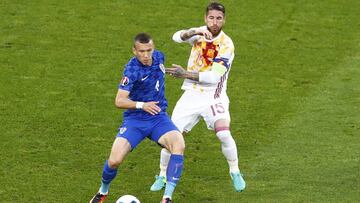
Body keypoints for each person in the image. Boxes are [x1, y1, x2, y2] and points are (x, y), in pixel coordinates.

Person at [150, 2, 246, 193]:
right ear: (205, 18)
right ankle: (161, 174)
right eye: (211, 17)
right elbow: (176, 37)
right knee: (171, 138)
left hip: (214, 97)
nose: (215, 22)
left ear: (224, 20)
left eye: (219, 18)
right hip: (191, 95)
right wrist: (194, 31)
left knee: (223, 133)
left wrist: (183, 73)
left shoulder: (226, 45)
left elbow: (213, 78)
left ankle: (235, 171)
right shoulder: (199, 33)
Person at [90, 33, 185, 203]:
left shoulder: (159, 57)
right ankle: (102, 192)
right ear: (134, 51)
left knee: (178, 144)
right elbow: (119, 100)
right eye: (142, 51)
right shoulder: (131, 70)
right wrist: (142, 105)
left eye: (149, 50)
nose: (146, 55)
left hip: (157, 117)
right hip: (135, 119)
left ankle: (167, 197)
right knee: (114, 161)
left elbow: (158, 73)